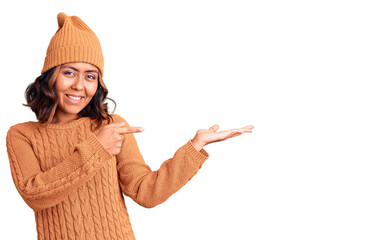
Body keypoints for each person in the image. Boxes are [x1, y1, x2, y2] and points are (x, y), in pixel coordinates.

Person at [6, 12, 254, 240]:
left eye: (90, 76)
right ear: (50, 76)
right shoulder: (22, 135)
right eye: (69, 73)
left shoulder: (113, 126)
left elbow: (146, 193)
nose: (80, 85)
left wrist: (195, 147)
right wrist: (96, 148)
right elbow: (35, 196)